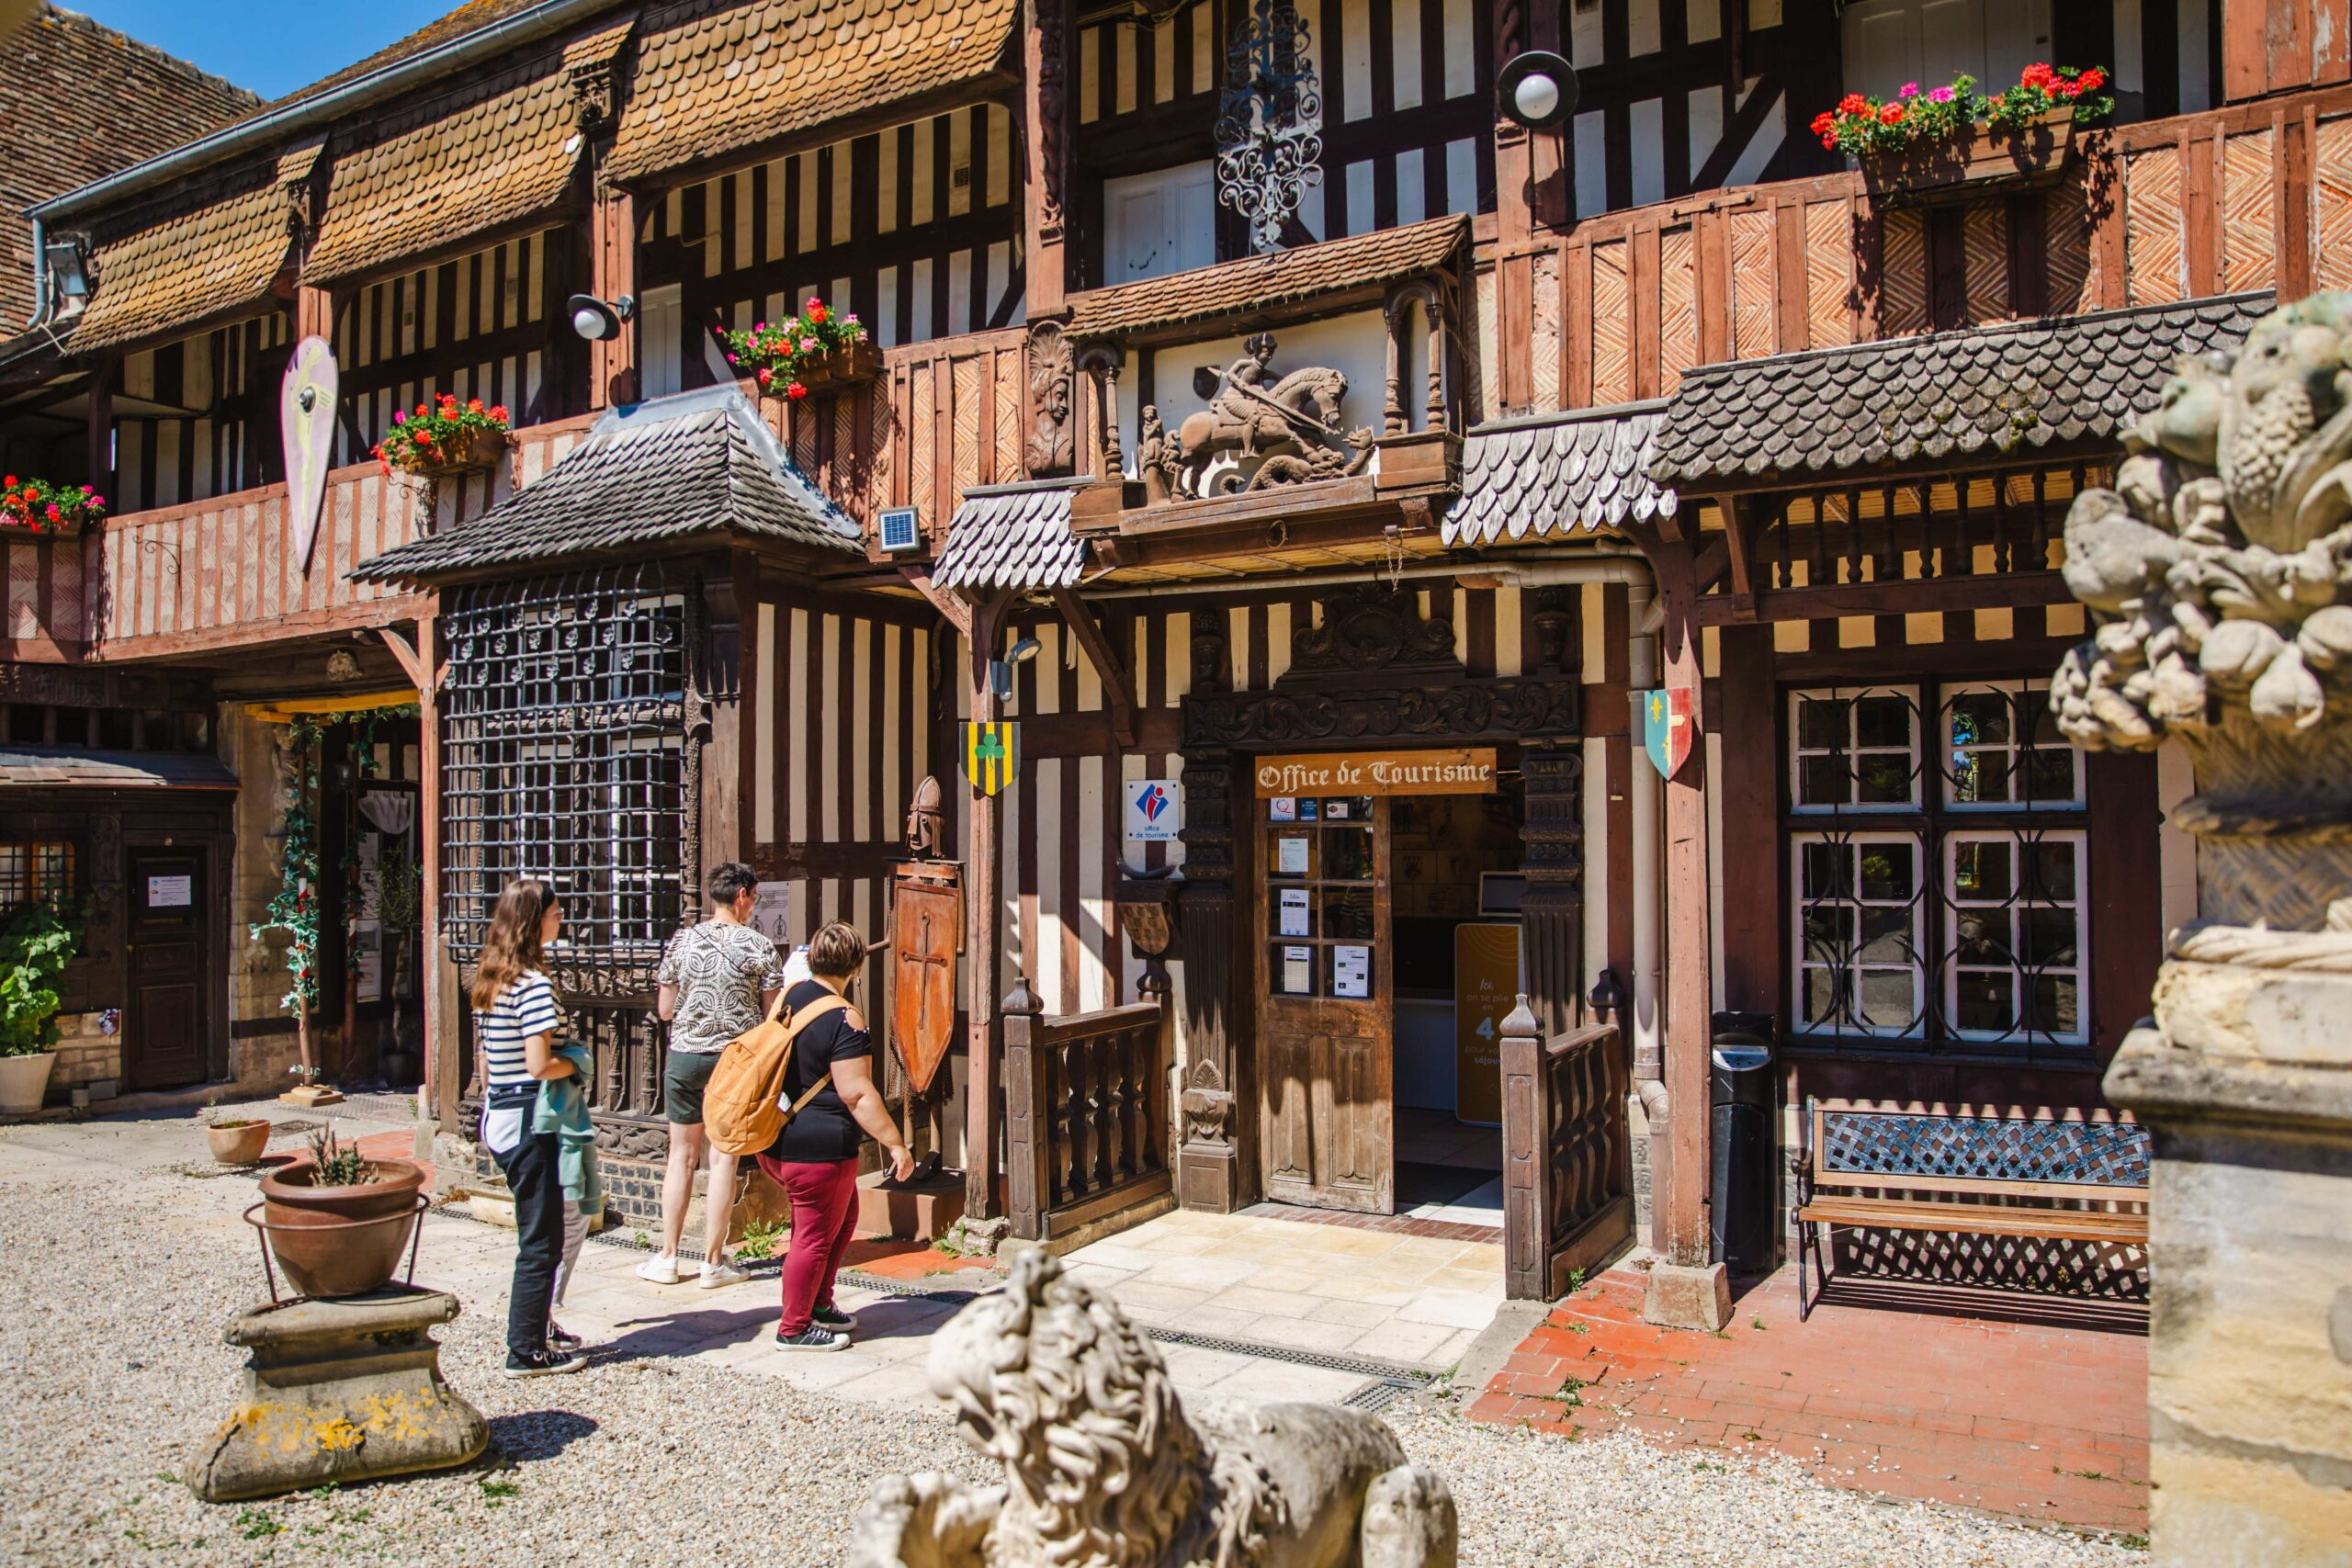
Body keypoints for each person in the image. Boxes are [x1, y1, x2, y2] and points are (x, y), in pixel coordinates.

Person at [758, 921, 915, 1351]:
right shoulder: (845, 1017)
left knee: (841, 1221)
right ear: (856, 966)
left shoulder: (791, 998)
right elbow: (857, 1092)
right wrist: (896, 1144)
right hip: (819, 1146)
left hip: (780, 1135)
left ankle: (820, 1305)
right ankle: (793, 1327)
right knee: (812, 1234)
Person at [639, 862, 786, 1288]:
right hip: (732, 1063)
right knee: (723, 1159)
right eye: (754, 897)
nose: (754, 905)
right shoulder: (759, 946)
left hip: (685, 1056)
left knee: (680, 1158)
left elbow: (666, 1010)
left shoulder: (681, 942)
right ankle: (712, 1261)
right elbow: (770, 1016)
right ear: (742, 896)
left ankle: (667, 1257)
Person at [472, 877, 587, 1378]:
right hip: (530, 1116)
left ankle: (538, 1324)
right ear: (533, 921)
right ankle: (525, 1349)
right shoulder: (535, 985)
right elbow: (540, 1063)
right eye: (556, 914)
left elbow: (487, 1061)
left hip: (501, 1110)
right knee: (542, 1238)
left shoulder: (494, 979)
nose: (560, 921)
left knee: (548, 1225)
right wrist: (577, 1064)